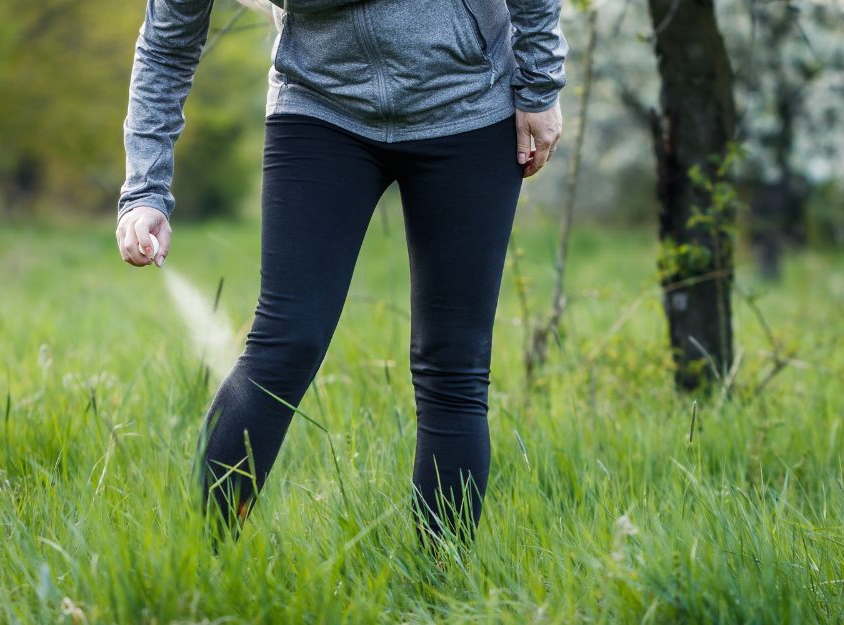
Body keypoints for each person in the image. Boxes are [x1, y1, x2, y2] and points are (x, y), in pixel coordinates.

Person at [113, 0, 567, 554]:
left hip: (467, 104)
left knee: (454, 363)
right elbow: (166, 46)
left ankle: (440, 585)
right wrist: (144, 191)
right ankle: (199, 565)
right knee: (285, 342)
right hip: (320, 108)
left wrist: (540, 84)